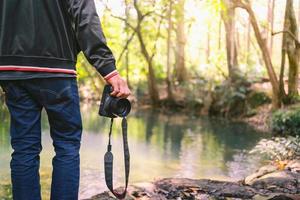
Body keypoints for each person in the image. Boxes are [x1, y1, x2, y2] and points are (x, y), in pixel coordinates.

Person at [0, 0, 131, 199]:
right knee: (67, 147)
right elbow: (85, 18)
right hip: (57, 69)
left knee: (24, 148)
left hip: (12, 70)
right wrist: (109, 70)